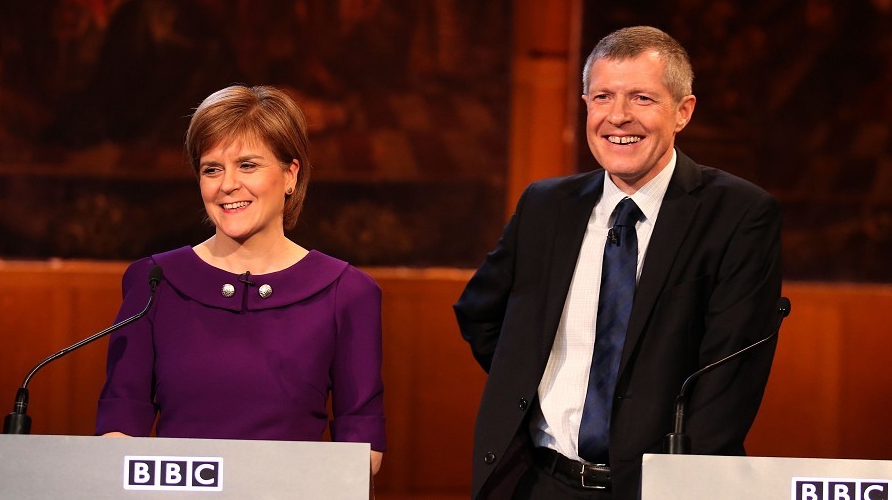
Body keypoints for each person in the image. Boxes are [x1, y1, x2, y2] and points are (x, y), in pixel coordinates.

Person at [454, 26, 782, 500]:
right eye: (603, 96)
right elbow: (480, 314)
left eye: (642, 98)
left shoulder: (738, 214)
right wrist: (534, 385)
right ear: (586, 104)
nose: (618, 117)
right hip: (541, 483)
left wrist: (682, 486)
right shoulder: (547, 206)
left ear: (683, 112)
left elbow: (730, 380)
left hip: (663, 488)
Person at [95, 85, 386, 476]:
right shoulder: (154, 282)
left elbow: (362, 450)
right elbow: (119, 428)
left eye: (247, 165)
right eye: (212, 168)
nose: (227, 184)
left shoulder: (347, 293)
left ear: (290, 174)